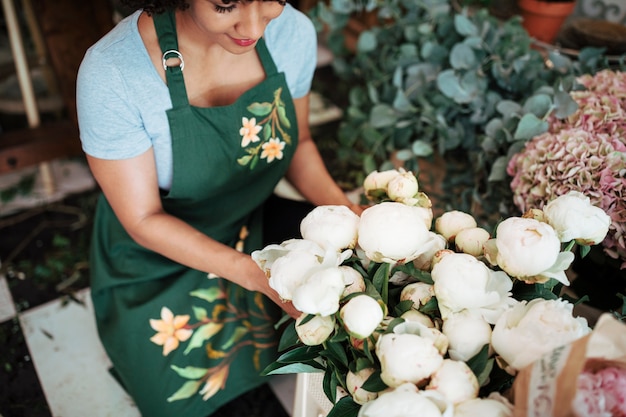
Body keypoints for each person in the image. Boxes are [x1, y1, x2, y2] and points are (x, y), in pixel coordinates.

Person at [76, 0, 361, 415]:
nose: (253, 27)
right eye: (227, 6)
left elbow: (300, 145)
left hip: (253, 223)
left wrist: (350, 213)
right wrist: (258, 276)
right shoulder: (113, 73)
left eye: (271, 2)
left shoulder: (292, 32)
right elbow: (143, 220)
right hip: (156, 260)